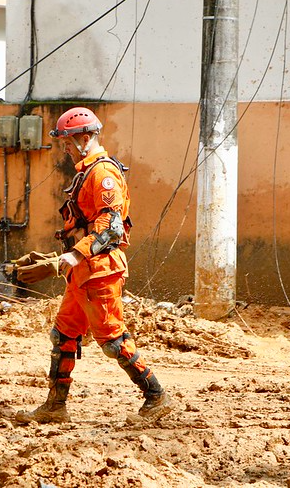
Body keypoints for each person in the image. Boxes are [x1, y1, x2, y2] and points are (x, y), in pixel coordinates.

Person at [14, 107, 173, 424]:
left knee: (113, 340)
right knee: (63, 336)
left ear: (84, 138)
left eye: (68, 142)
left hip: (100, 270)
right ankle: (55, 407)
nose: (66, 148)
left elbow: (110, 227)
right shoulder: (88, 171)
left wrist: (71, 257)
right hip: (83, 272)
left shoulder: (102, 175)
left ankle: (156, 397)